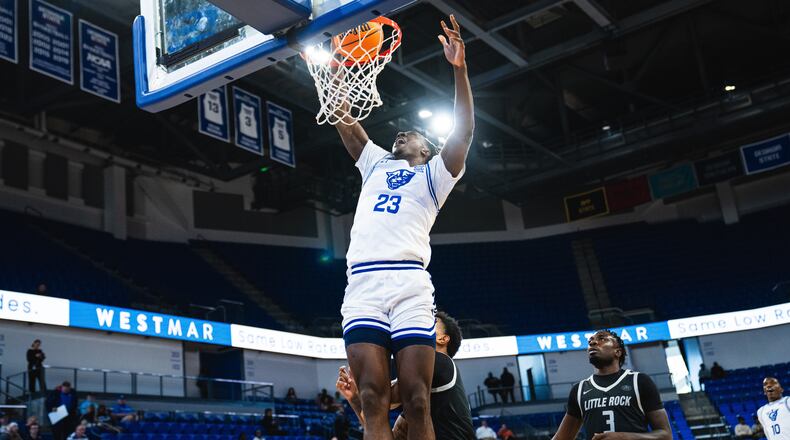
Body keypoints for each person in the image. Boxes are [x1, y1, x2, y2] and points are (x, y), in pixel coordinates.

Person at [332, 13, 474, 440]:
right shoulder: (375, 162)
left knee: (415, 401)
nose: (401, 134)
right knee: (373, 398)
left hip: (409, 284)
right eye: (399, 133)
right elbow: (341, 116)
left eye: (410, 135)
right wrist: (333, 70)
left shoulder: (435, 176)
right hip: (363, 285)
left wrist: (460, 70)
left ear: (427, 150)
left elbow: (464, 134)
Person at [337, 311, 475, 439]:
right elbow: (384, 430)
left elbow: (383, 401)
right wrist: (354, 399)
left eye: (432, 321)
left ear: (443, 339)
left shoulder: (440, 361)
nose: (423, 323)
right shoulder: (419, 399)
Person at [551, 330, 672, 440]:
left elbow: (666, 435)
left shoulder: (639, 381)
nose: (593, 343)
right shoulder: (579, 390)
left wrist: (624, 437)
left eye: (602, 339)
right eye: (590, 341)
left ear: (618, 352)